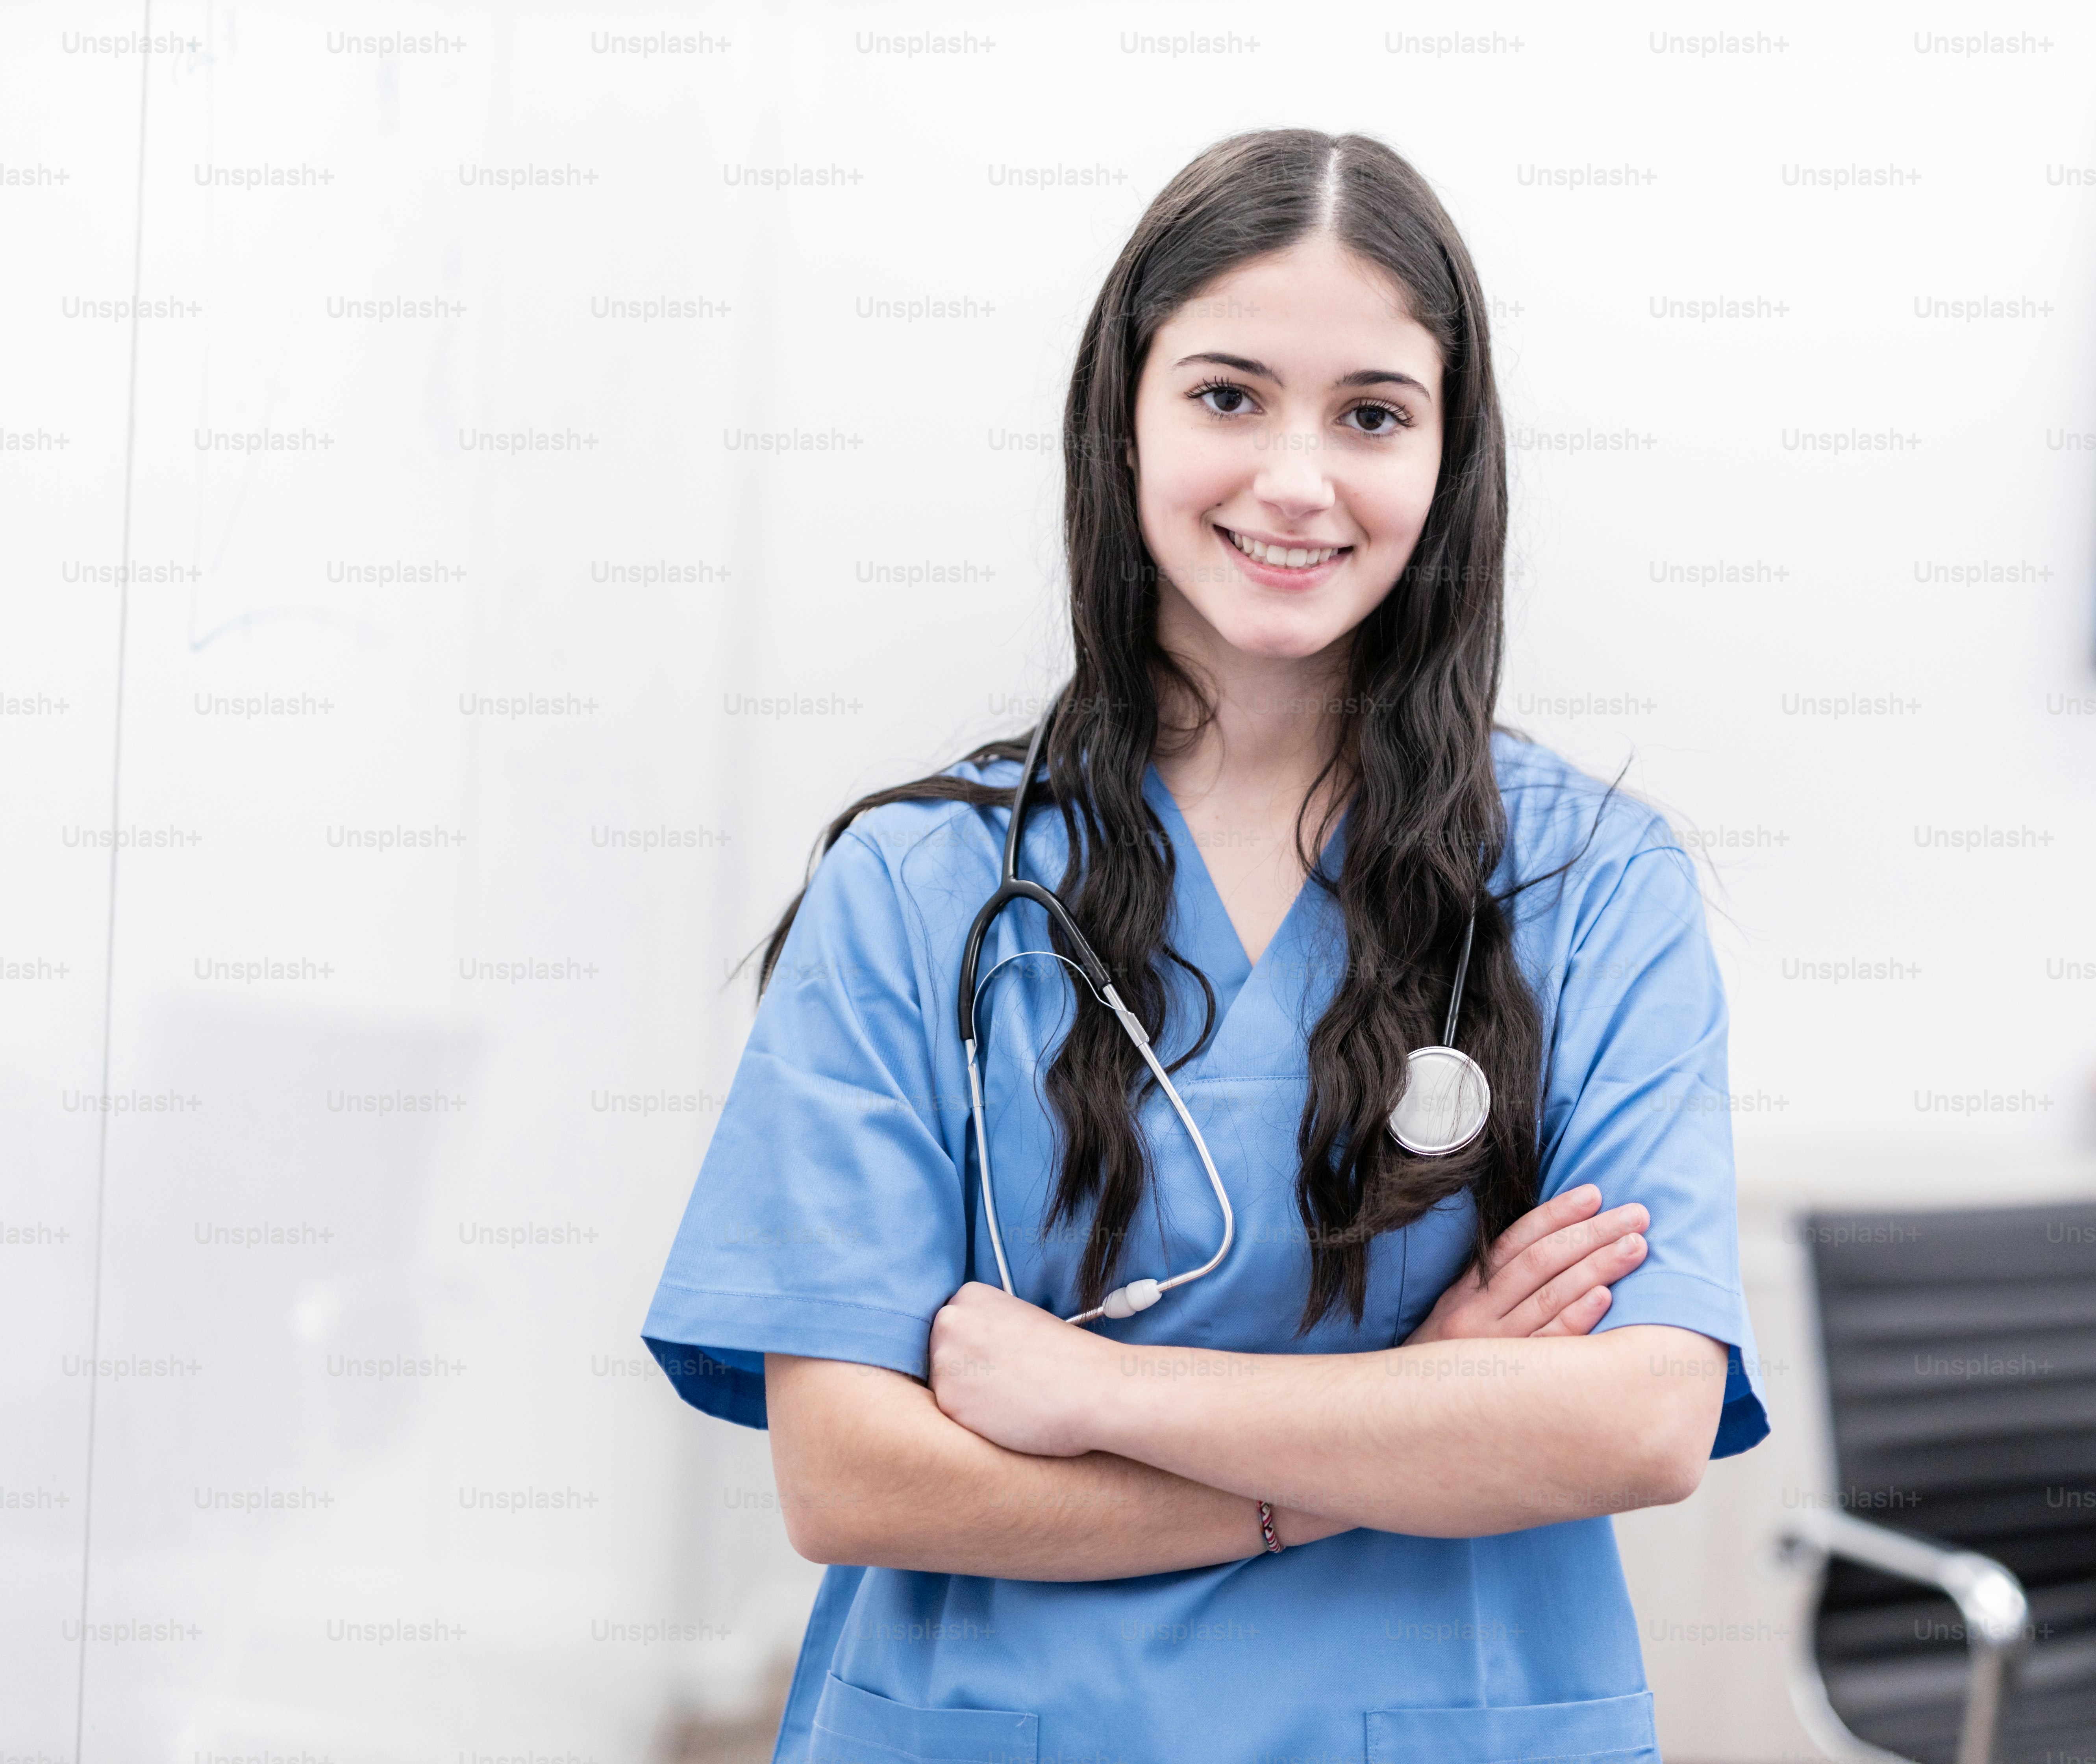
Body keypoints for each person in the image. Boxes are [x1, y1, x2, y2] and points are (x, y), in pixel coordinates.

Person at [642, 128, 1767, 1764]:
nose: (1297, 479)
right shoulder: (920, 883)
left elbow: (1642, 1416)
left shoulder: (1595, 885)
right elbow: (849, 1475)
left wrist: (1092, 1395)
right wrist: (1404, 1422)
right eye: (1229, 395)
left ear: (1452, 459)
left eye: (1372, 414)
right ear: (1126, 419)